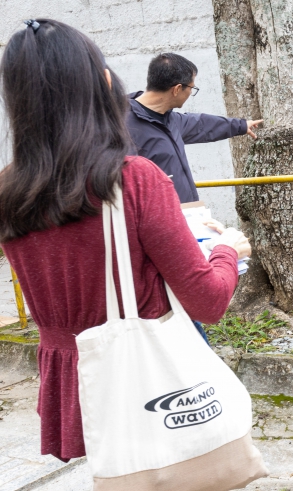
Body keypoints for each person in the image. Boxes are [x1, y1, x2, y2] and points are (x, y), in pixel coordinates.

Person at [0, 19, 251, 463]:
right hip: (145, 372)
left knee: (117, 473)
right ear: (101, 82)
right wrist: (229, 248)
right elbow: (208, 302)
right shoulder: (131, 178)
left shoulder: (9, 190)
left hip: (74, 374)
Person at [126, 53, 263, 203]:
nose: (191, 92)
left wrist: (241, 125)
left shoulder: (169, 119)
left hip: (184, 214)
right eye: (192, 88)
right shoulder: (122, 126)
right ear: (177, 89)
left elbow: (201, 124)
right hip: (155, 220)